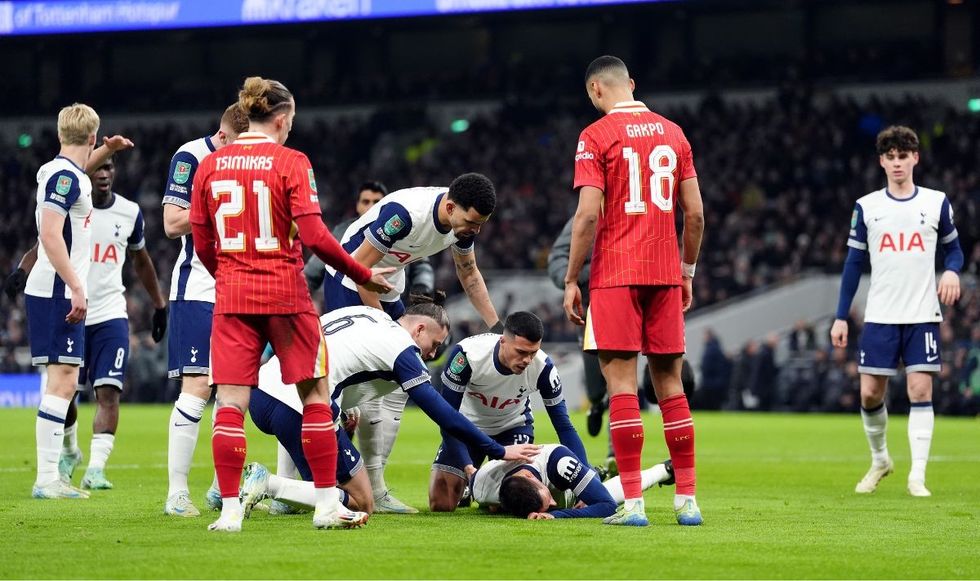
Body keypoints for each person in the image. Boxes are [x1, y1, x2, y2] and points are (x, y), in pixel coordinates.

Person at [189, 76, 394, 532]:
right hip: (285, 293)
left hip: (233, 297)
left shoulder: (211, 166)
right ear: (281, 119)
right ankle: (325, 506)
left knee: (229, 405)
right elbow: (318, 236)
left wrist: (230, 274)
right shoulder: (292, 162)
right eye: (291, 122)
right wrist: (363, 273)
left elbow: (203, 244)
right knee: (316, 396)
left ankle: (229, 512)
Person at [562, 56, 705, 526]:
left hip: (615, 274)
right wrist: (686, 271)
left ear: (595, 91)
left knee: (621, 385)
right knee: (670, 387)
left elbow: (585, 216)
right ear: (632, 84)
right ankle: (687, 501)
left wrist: (570, 278)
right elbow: (696, 214)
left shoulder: (595, 136)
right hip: (664, 272)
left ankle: (635, 506)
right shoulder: (674, 132)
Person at [239, 302, 541, 516]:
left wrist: (341, 403)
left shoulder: (367, 314)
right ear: (420, 329)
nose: (432, 354)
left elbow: (331, 352)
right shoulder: (401, 348)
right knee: (360, 501)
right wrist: (497, 450)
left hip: (265, 390)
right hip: (301, 407)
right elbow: (438, 409)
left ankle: (283, 497)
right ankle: (269, 483)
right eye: (434, 344)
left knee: (324, 483)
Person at [321, 176, 502, 513]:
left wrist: (498, 328)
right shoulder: (404, 214)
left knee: (399, 385)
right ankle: (329, 479)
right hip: (350, 278)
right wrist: (384, 333)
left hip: (389, 283)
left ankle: (376, 488)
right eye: (471, 222)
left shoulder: (459, 225)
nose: (474, 231)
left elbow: (470, 273)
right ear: (450, 207)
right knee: (348, 382)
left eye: (480, 225)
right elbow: (361, 267)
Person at [13, 155, 167, 491]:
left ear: (115, 172)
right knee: (63, 394)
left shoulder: (129, 213)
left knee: (108, 391)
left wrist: (159, 304)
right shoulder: (74, 205)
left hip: (110, 314)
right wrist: (21, 271)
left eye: (109, 168)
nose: (103, 174)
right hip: (71, 310)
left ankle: (96, 469)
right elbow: (43, 244)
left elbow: (142, 262)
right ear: (88, 172)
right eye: (98, 168)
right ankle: (69, 449)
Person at [831, 125, 963, 497]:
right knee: (870, 394)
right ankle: (881, 460)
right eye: (890, 157)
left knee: (920, 389)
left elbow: (954, 249)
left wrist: (952, 269)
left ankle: (917, 476)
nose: (897, 163)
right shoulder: (867, 206)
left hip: (922, 313)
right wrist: (841, 315)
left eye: (903, 156)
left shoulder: (936, 202)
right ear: (881, 162)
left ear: (915, 158)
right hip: (880, 315)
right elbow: (853, 265)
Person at [25, 103, 132, 498]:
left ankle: (50, 475)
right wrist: (76, 285)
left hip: (54, 288)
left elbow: (78, 173)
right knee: (63, 382)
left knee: (64, 382)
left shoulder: (64, 173)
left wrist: (108, 150)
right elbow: (51, 235)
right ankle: (47, 478)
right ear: (91, 136)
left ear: (59, 135)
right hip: (56, 288)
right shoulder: (66, 179)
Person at [161, 103, 249, 517]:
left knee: (235, 390)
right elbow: (172, 222)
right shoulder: (191, 156)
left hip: (240, 289)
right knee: (197, 388)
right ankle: (177, 492)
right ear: (228, 135)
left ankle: (220, 486)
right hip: (197, 287)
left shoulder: (249, 162)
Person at [428, 311, 587, 512]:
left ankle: (488, 495)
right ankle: (469, 490)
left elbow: (564, 426)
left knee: (510, 502)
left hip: (513, 428)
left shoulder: (544, 368)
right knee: (440, 504)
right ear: (502, 341)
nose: (527, 360)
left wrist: (583, 483)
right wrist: (469, 468)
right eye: (521, 352)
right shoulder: (467, 355)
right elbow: (447, 417)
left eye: (533, 352)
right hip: (467, 428)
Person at [304, 181, 436, 307]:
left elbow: (422, 267)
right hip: (350, 300)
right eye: (365, 202)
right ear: (357, 205)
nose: (371, 206)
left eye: (377, 202)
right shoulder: (343, 233)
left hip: (393, 303)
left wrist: (422, 291)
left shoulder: (401, 227)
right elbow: (313, 271)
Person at [471, 444, 673, 521]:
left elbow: (607, 507)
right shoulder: (482, 488)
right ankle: (597, 474)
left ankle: (664, 470)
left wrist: (555, 515)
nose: (552, 504)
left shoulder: (558, 461)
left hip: (569, 483)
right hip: (557, 488)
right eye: (548, 506)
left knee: (603, 495)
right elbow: (472, 476)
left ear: (531, 477)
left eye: (546, 498)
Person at [547, 217, 609, 440]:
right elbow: (557, 259)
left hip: (625, 304)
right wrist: (576, 279)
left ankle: (616, 453)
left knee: (620, 380)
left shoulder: (636, 210)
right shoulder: (586, 216)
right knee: (596, 382)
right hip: (591, 310)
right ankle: (595, 402)